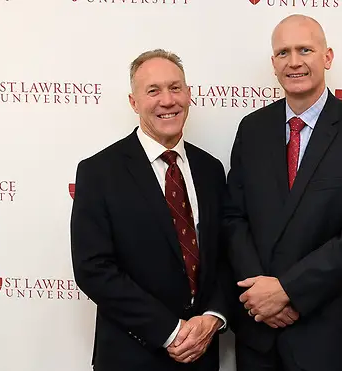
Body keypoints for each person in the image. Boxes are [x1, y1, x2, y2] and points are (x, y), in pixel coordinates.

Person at [223, 14, 342, 371]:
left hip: (327, 331)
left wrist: (286, 291)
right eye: (283, 52)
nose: (295, 61)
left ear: (327, 57)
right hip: (259, 332)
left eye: (305, 49)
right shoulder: (251, 129)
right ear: (273, 64)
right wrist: (260, 297)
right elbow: (234, 217)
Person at [71, 49, 228, 371]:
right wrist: (170, 332)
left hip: (203, 354)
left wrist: (214, 317)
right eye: (153, 91)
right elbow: (93, 268)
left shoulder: (211, 169)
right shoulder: (99, 172)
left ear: (188, 94)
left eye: (175, 88)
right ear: (134, 102)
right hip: (131, 356)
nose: (167, 100)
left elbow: (226, 256)